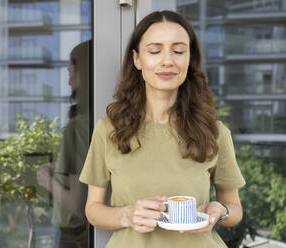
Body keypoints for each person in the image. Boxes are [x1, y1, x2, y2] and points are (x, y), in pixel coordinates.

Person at [79, 10, 245, 248]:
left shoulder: (214, 131)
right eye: (155, 51)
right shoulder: (108, 130)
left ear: (189, 59)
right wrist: (126, 214)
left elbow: (235, 209)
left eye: (178, 51)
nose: (167, 60)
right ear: (137, 59)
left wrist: (219, 212)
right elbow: (93, 209)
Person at [37, 41, 91, 248]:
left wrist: (47, 180)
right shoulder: (94, 121)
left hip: (76, 237)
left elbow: (78, 205)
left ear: (82, 75)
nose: (69, 81)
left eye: (71, 72)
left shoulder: (77, 128)